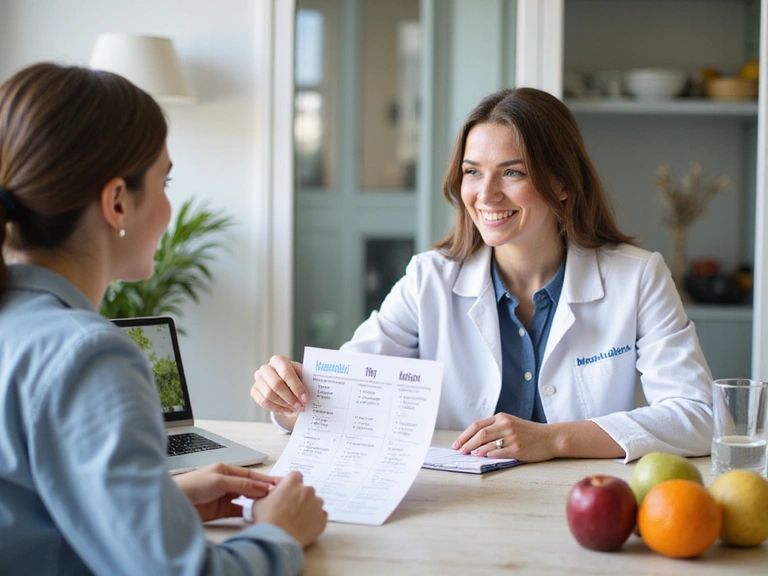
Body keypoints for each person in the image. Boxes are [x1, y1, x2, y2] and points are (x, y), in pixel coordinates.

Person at [251, 87, 714, 464]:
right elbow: (347, 393)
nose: (486, 194)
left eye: (512, 172)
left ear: (563, 183)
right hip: (460, 505)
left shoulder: (638, 277)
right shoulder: (428, 279)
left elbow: (698, 416)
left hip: (585, 505)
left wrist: (553, 440)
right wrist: (289, 395)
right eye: (473, 172)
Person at [0, 62, 326, 576]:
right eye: (164, 180)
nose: (170, 204)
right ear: (117, 202)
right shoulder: (85, 354)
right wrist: (277, 533)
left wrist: (160, 501)